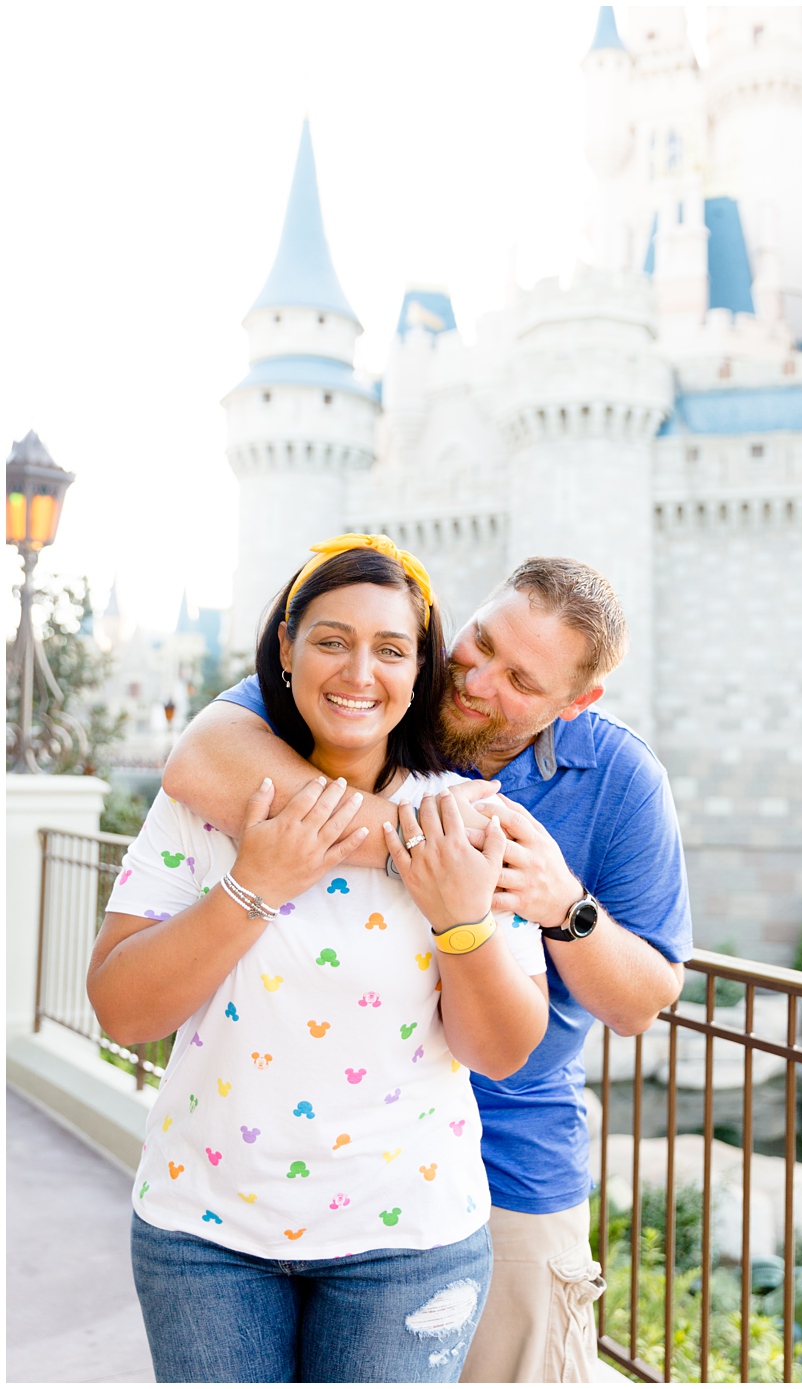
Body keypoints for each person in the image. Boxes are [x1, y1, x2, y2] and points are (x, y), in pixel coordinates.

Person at [162, 553, 693, 1383]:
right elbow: (200, 761)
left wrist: (564, 907)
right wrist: (431, 844)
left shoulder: (621, 779)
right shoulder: (361, 686)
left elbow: (644, 1000)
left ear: (575, 704)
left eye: (519, 678)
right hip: (317, 1151)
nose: (477, 678)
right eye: (480, 642)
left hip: (512, 1156)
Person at [92, 536, 549, 1382]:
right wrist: (252, 884)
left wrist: (459, 921)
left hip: (408, 1243)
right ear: (286, 652)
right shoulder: (203, 805)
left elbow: (503, 1050)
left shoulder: (468, 826)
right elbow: (122, 1010)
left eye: (391, 649)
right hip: (206, 1236)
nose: (358, 671)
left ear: (420, 674)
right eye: (332, 639)